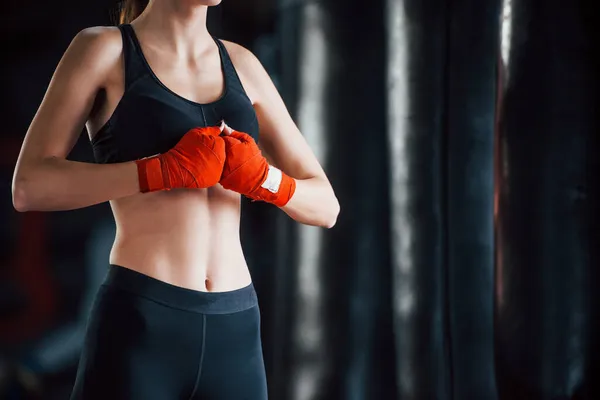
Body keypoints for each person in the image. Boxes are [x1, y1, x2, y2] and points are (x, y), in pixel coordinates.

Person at [11, 0, 340, 398]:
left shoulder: (243, 64)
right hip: (145, 321)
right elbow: (29, 186)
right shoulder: (104, 49)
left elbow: (326, 207)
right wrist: (159, 171)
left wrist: (264, 179)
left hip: (235, 328)